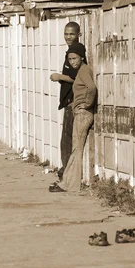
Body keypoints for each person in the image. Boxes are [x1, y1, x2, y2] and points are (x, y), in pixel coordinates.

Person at [49, 41, 97, 193]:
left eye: (75, 58)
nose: (72, 62)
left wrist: (87, 104)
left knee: (76, 150)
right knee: (75, 149)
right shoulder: (81, 70)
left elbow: (92, 88)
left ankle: (69, 184)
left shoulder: (84, 70)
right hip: (80, 113)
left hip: (83, 114)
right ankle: (68, 183)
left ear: (81, 57)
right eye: (70, 59)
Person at [50, 22, 87, 181]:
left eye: (71, 34)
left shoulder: (77, 53)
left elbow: (77, 78)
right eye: (66, 34)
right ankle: (65, 173)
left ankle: (67, 175)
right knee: (66, 140)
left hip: (73, 102)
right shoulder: (72, 52)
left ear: (79, 34)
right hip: (68, 102)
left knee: (68, 142)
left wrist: (59, 77)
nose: (68, 37)